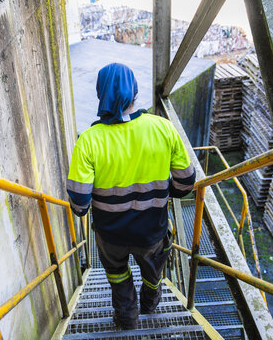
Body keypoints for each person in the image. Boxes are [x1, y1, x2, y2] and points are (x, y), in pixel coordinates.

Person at [66, 63, 195, 329]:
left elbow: (79, 203)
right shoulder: (163, 129)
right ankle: (150, 303)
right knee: (152, 272)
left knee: (117, 275)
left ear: (100, 93)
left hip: (111, 235)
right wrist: (164, 194)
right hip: (152, 231)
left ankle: (127, 318)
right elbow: (185, 184)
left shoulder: (89, 141)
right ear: (135, 92)